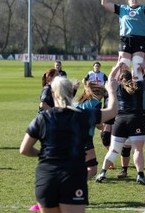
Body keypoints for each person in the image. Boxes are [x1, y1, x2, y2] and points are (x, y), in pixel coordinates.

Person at [20, 76, 118, 213]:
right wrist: (111, 90)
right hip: (72, 176)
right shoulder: (83, 115)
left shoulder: (42, 118)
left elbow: (24, 149)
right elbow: (113, 111)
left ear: (53, 94)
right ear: (71, 92)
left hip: (46, 176)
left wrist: (43, 154)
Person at [95, 60, 145, 185]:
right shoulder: (138, 84)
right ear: (131, 77)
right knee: (137, 150)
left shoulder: (116, 86)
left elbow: (110, 78)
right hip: (136, 120)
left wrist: (117, 66)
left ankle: (102, 172)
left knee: (113, 150)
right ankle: (140, 175)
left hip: (120, 120)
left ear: (120, 78)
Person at [75, 82, 107, 180]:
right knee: (92, 169)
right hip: (85, 138)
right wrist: (102, 126)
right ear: (98, 94)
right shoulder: (96, 103)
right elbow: (97, 124)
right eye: (101, 96)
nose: (101, 98)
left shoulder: (77, 102)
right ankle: (73, 185)